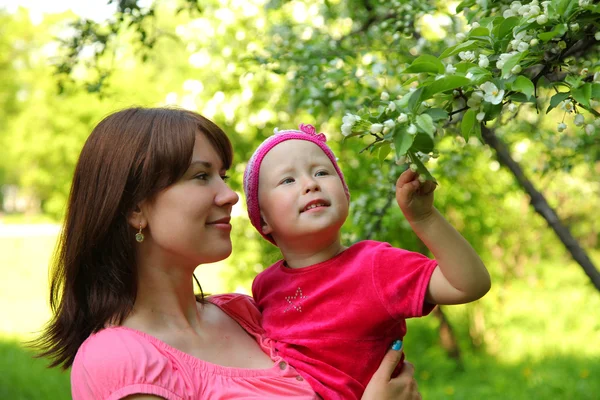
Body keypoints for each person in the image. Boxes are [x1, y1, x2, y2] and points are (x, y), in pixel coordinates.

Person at [32, 107, 422, 400]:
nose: (230, 195)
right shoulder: (122, 361)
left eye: (224, 175)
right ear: (135, 209)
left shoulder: (249, 314)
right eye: (201, 176)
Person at [243, 123, 492, 399]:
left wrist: (425, 218)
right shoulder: (265, 286)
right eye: (287, 180)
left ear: (345, 193)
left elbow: (469, 285)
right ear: (263, 219)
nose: (311, 184)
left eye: (322, 172)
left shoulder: (375, 265)